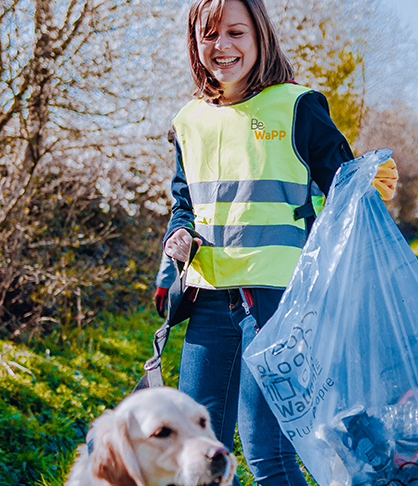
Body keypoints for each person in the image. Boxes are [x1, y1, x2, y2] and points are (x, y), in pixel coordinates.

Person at [161, 1, 398, 485]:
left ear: (260, 37)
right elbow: (183, 200)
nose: (222, 46)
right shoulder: (188, 120)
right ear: (195, 42)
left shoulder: (297, 105)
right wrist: (178, 233)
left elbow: (343, 188)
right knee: (198, 456)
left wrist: (364, 182)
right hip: (207, 301)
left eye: (235, 32)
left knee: (268, 453)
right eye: (209, 34)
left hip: (279, 304)